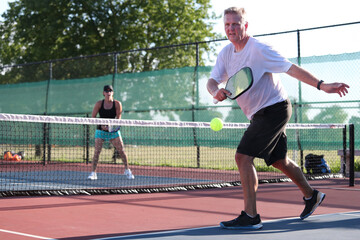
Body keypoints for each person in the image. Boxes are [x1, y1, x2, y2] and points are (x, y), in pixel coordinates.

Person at [207, 7, 349, 230]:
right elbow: (212, 80)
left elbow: (290, 69)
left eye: (236, 24)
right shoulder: (225, 53)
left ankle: (251, 216)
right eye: (227, 25)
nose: (231, 28)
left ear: (245, 26)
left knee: (243, 157)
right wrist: (214, 90)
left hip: (275, 109)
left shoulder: (259, 49)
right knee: (278, 160)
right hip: (258, 114)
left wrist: (322, 86)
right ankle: (311, 195)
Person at [88, 85, 134, 180]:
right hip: (100, 131)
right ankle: (93, 173)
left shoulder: (117, 104)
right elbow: (93, 118)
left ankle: (127, 170)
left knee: (121, 150)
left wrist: (111, 127)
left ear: (112, 93)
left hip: (113, 131)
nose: (108, 93)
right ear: (103, 93)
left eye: (110, 91)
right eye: (106, 91)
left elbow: (119, 119)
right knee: (97, 152)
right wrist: (102, 126)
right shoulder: (99, 104)